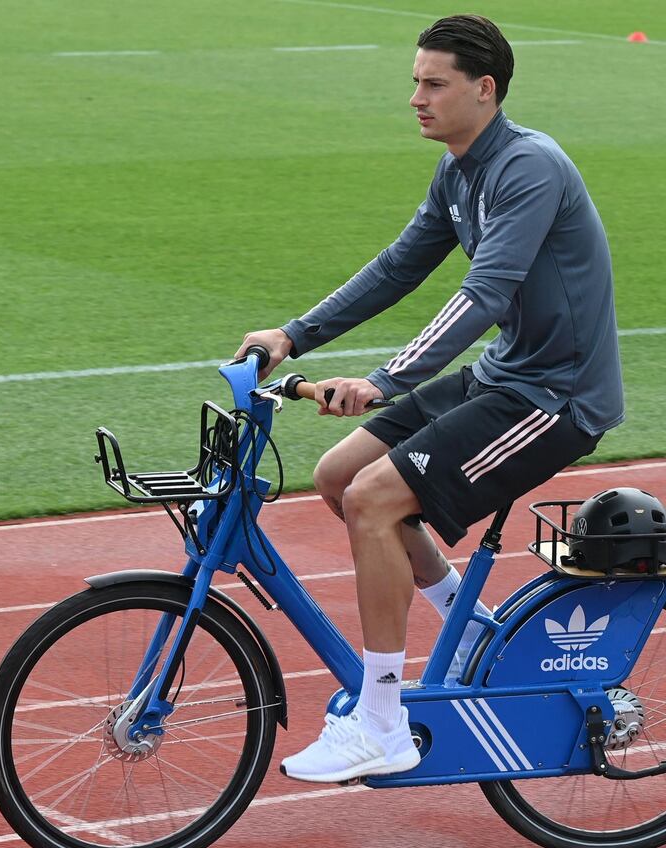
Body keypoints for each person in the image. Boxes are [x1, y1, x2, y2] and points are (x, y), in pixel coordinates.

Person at [236, 14, 624, 783]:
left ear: (484, 90)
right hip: (508, 374)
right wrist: (293, 335)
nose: (416, 96)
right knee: (339, 477)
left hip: (558, 396)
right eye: (415, 80)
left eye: (434, 83)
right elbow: (396, 268)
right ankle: (472, 628)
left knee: (377, 501)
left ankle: (382, 721)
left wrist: (383, 381)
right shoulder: (459, 171)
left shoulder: (527, 166)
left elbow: (483, 293)